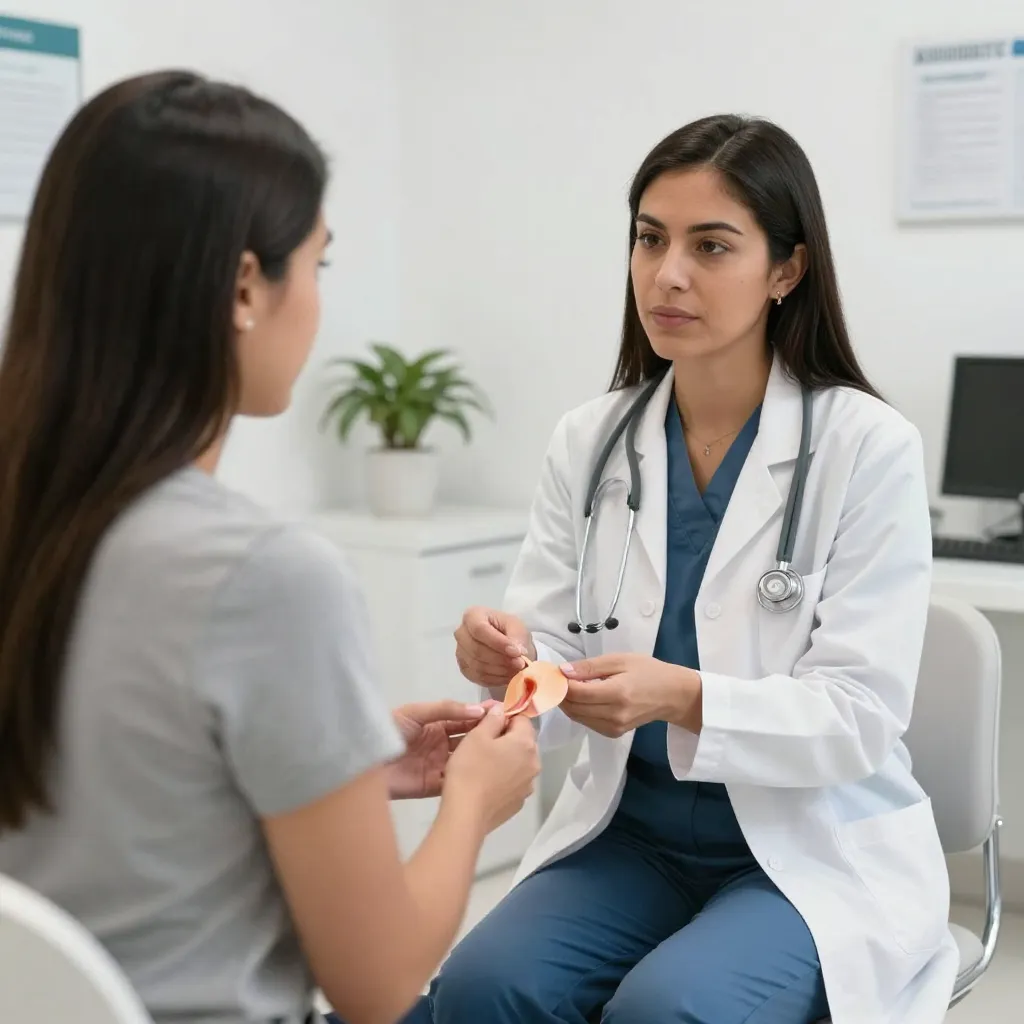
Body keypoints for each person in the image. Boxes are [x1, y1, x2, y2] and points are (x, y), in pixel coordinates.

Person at [0, 71, 540, 1024]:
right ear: (247, 286)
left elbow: (110, 792)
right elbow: (371, 985)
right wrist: (474, 806)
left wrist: (345, 771)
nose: (319, 301)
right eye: (319, 265)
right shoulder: (266, 577)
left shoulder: (34, 519)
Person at [424, 115, 958, 1024]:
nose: (667, 273)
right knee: (480, 989)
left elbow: (862, 716)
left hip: (802, 850)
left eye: (712, 246)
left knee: (669, 1011)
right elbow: (553, 639)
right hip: (628, 836)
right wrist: (511, 662)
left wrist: (684, 696)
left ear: (786, 270)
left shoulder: (868, 448)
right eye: (649, 238)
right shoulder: (589, 441)